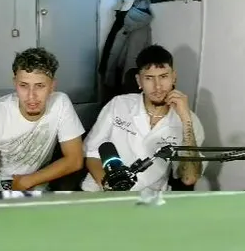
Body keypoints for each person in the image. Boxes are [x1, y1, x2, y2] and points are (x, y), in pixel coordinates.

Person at [82, 45, 203, 204]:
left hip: (149, 199)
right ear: (139, 80)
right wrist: (111, 188)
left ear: (173, 77)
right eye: (149, 78)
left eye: (163, 76)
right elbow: (92, 154)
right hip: (102, 191)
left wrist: (186, 120)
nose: (157, 86)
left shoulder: (189, 120)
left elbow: (189, 178)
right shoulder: (119, 105)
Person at [0, 47, 85, 192]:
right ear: (15, 83)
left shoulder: (61, 103)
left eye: (40, 86)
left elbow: (75, 160)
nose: (31, 96)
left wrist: (27, 181)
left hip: (36, 179)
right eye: (24, 86)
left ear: (52, 86)